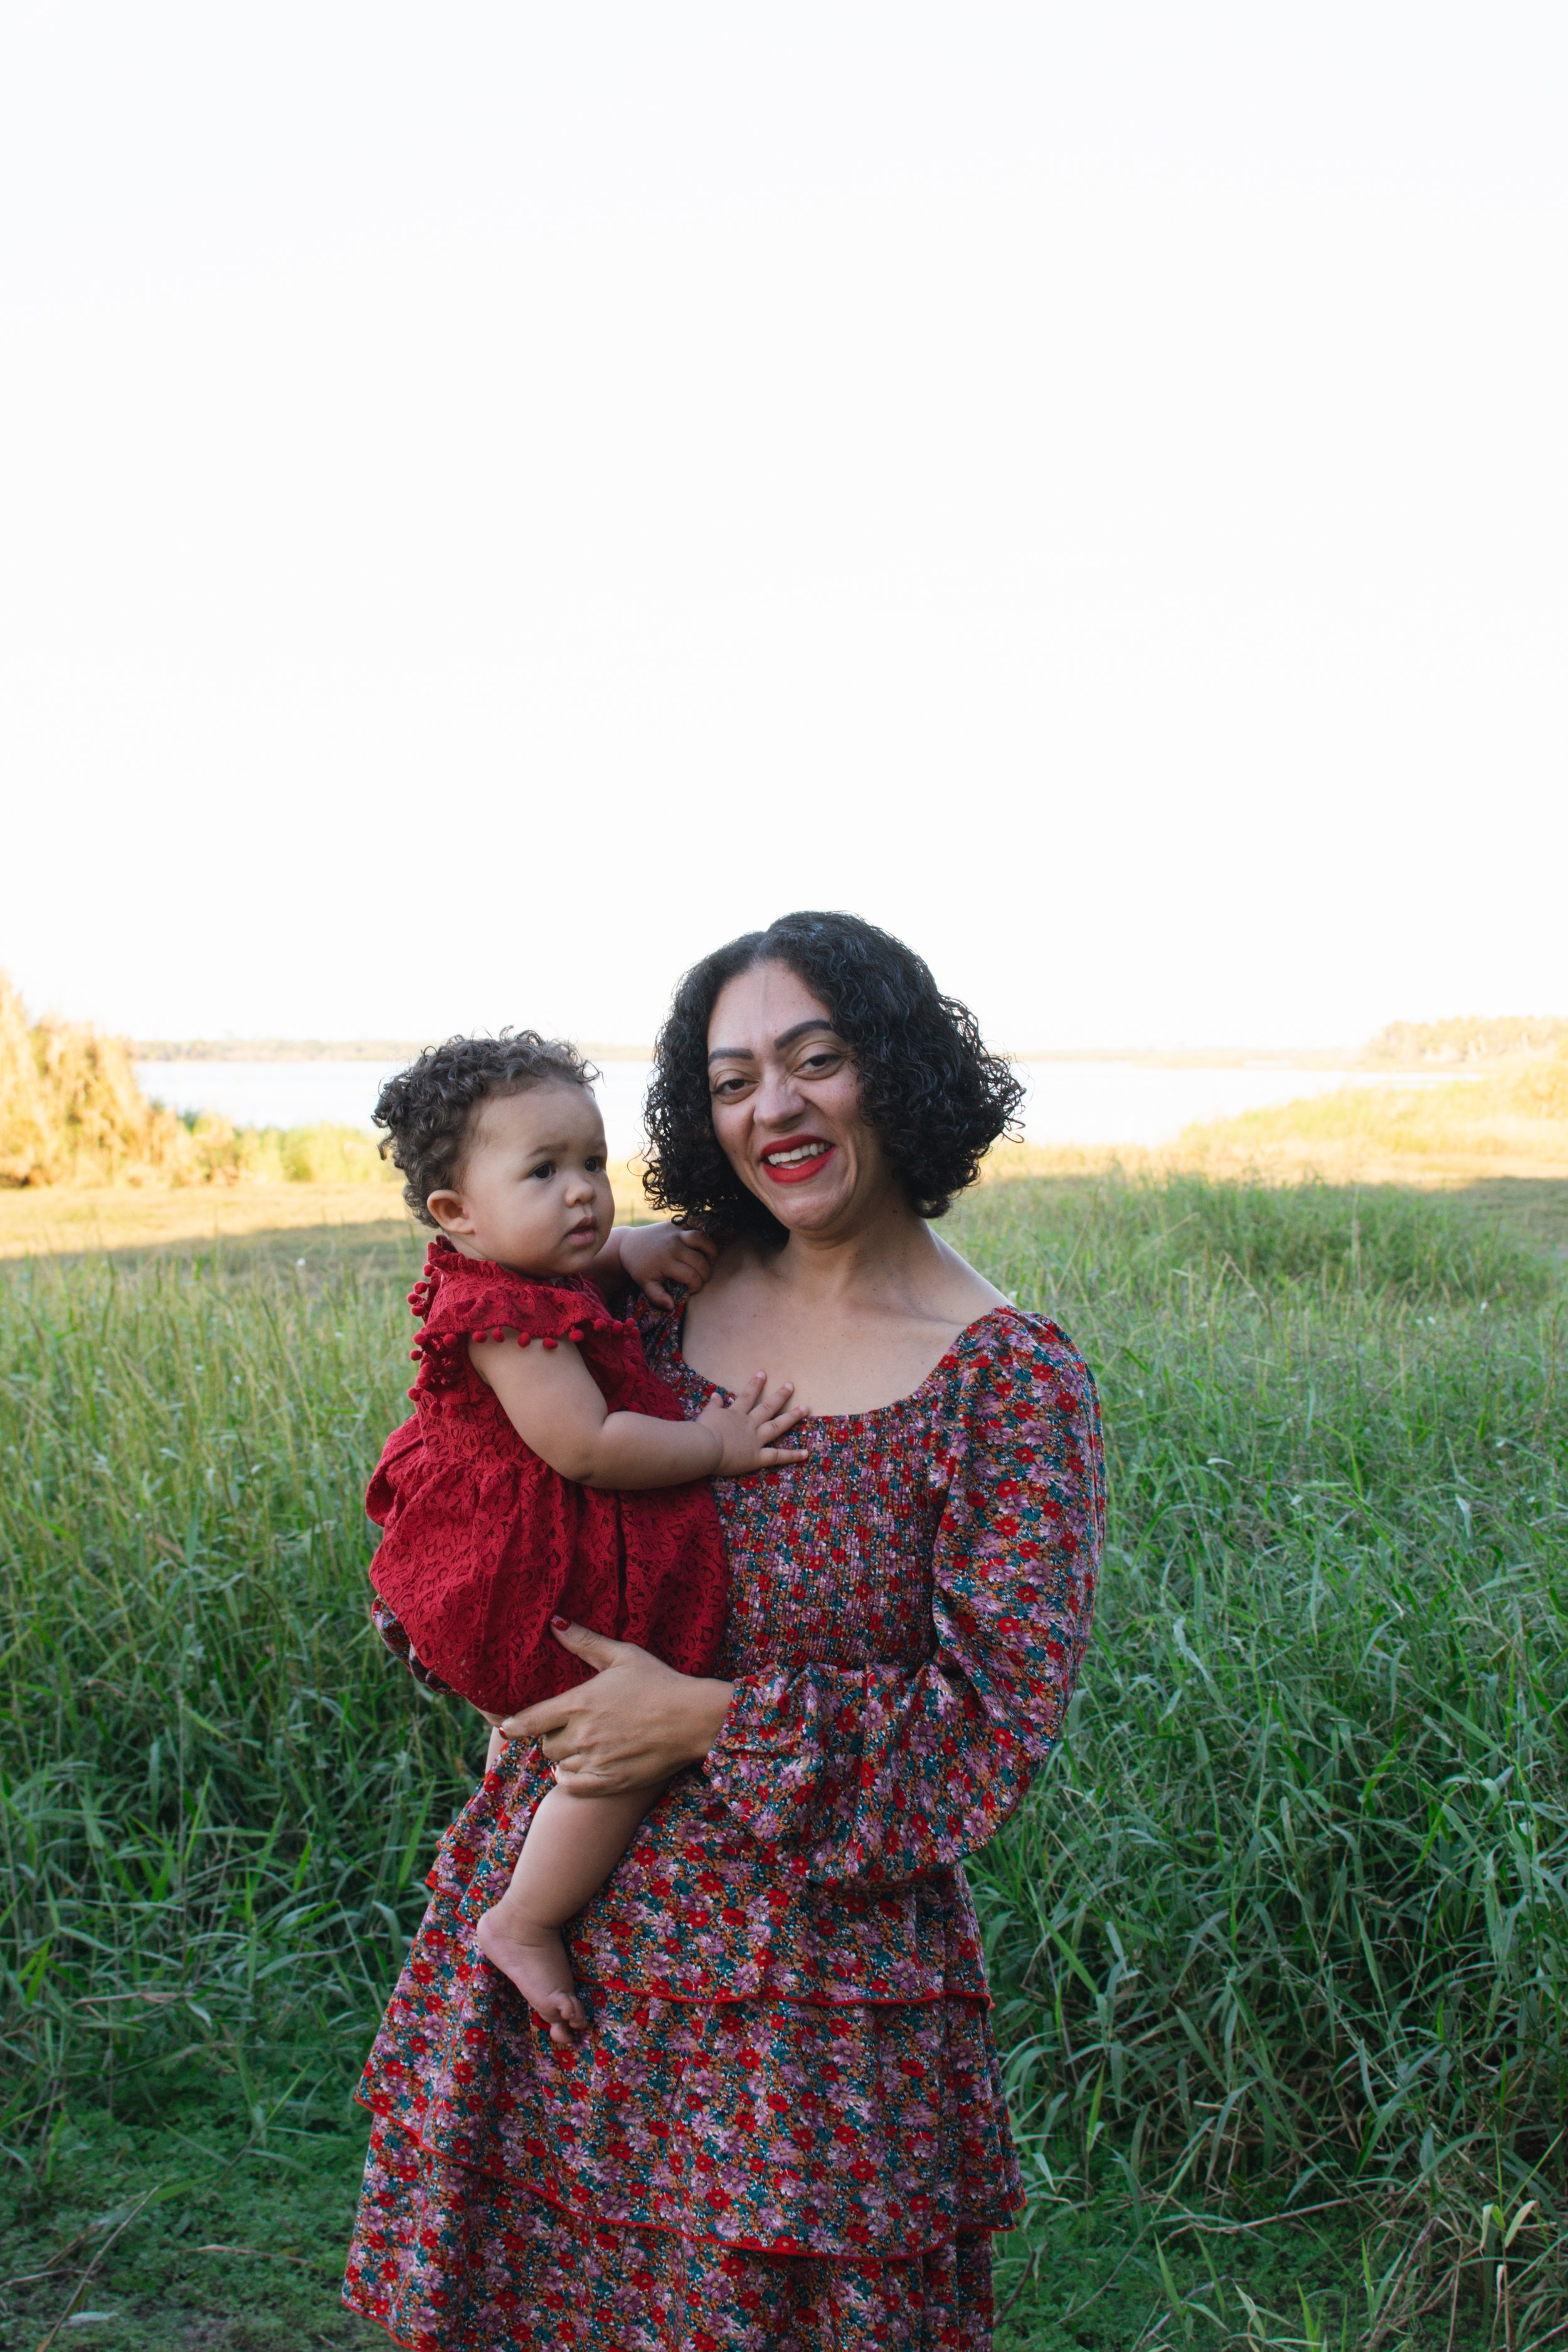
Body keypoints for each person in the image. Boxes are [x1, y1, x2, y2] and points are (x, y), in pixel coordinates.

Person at [344, 913, 1104, 2352]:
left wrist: (702, 1718)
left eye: (816, 1060)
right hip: (560, 1973)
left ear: (898, 1070)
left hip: (801, 2023)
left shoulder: (1005, 1382)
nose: (774, 1109)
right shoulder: (648, 1297)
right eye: (732, 1080)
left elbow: (986, 1733)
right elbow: (471, 1493)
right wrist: (492, 1672)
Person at [365, 1032, 806, 2041]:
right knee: (624, 1744)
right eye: (544, 1171)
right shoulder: (501, 1320)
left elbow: (582, 1263)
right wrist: (716, 1444)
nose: (583, 1193)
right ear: (457, 1213)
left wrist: (631, 1247)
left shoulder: (517, 1264)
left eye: (593, 1163)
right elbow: (591, 1446)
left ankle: (510, 1773)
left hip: (510, 1559)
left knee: (559, 1721)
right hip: (517, 1577)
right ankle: (525, 1916)